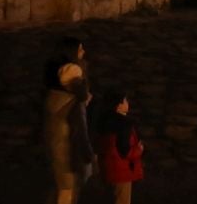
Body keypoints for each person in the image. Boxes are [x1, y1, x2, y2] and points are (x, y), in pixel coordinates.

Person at [41, 36, 95, 204]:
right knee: (66, 191)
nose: (83, 52)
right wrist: (88, 155)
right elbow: (79, 130)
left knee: (60, 188)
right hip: (67, 154)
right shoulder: (71, 104)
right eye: (80, 49)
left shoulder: (54, 96)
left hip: (58, 150)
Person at [91, 89, 146, 203]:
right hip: (121, 172)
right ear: (118, 105)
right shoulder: (125, 124)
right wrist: (139, 149)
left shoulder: (101, 121)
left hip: (106, 169)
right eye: (125, 100)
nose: (127, 103)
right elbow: (125, 151)